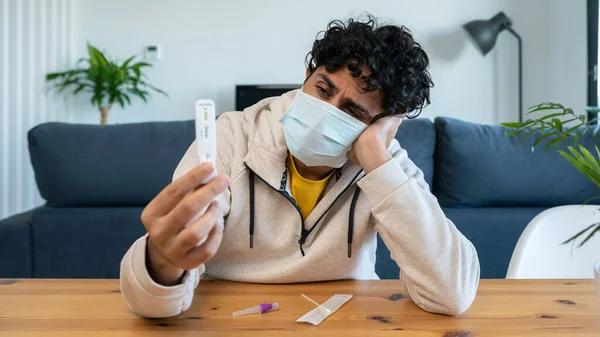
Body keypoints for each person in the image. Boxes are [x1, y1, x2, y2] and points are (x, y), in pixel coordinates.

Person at [119, 16, 480, 318]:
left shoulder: (385, 164)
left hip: (345, 320)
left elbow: (451, 293)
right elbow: (153, 301)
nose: (328, 112)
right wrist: (163, 263)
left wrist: (377, 162)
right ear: (306, 75)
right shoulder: (230, 136)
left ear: (382, 126)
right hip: (228, 317)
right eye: (323, 89)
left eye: (352, 111)